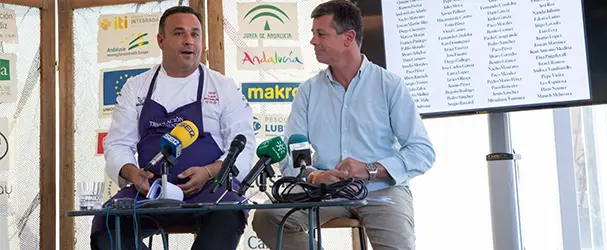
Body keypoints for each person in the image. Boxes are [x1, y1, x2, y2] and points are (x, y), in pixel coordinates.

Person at [251, 1, 435, 250]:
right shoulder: (308, 91)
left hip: (382, 192)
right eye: (313, 33)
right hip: (325, 192)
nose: (313, 41)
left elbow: (422, 152)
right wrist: (315, 176)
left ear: (348, 37)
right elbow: (291, 156)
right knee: (267, 218)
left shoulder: (390, 85)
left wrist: (369, 169)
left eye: (321, 34)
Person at [90, 6, 255, 250]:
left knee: (228, 214)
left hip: (210, 191)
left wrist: (210, 172)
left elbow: (243, 145)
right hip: (150, 191)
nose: (189, 41)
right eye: (179, 33)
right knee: (107, 226)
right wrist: (133, 174)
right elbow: (117, 144)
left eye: (195, 34)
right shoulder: (136, 87)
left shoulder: (223, 87)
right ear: (160, 40)